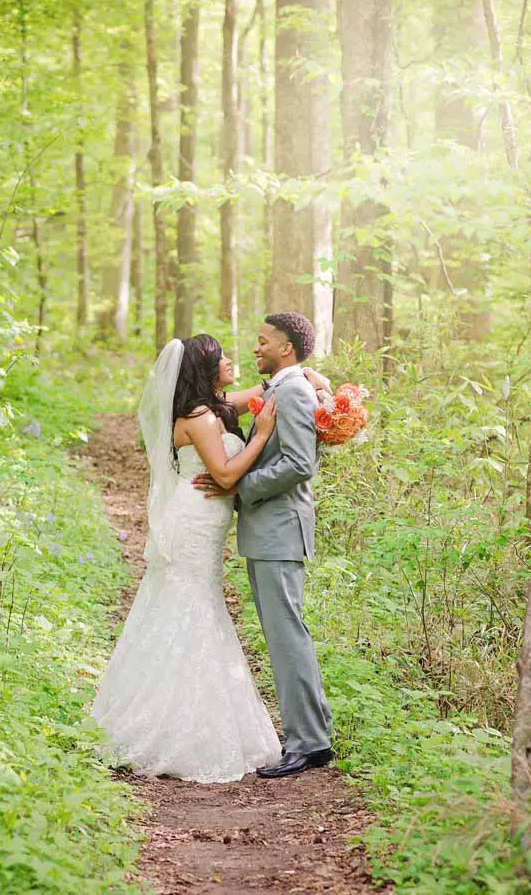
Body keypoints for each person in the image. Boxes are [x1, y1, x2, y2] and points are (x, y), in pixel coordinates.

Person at [91, 334, 284, 783]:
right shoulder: (197, 418)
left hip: (203, 523)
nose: (232, 361)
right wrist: (264, 436)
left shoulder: (212, 408)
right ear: (207, 369)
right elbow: (226, 473)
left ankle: (190, 710)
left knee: (198, 606)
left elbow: (258, 392)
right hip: (192, 522)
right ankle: (173, 726)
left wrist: (310, 378)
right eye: (223, 358)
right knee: (190, 609)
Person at [193, 313, 333, 779]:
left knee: (287, 635)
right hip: (268, 531)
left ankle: (309, 743)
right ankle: (310, 736)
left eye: (263, 342)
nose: (255, 349)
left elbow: (298, 464)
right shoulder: (283, 388)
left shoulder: (291, 392)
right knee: (283, 635)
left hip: (280, 530)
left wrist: (240, 486)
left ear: (286, 348)